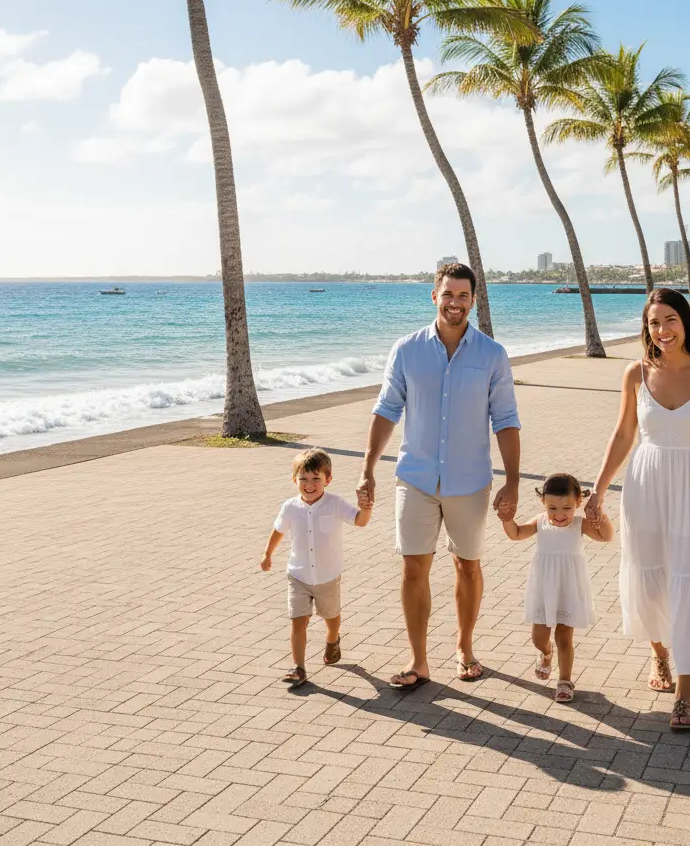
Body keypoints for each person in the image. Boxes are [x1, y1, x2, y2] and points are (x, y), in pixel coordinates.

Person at [358, 262, 521, 690]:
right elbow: (386, 409)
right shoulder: (407, 350)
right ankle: (419, 661)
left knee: (467, 566)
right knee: (414, 568)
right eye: (448, 294)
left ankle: (465, 648)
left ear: (473, 300)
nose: (455, 303)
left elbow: (506, 419)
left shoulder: (492, 355)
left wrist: (514, 481)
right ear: (434, 296)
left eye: (463, 296)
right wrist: (368, 470)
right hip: (415, 478)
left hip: (470, 481)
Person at [587, 288, 690, 731]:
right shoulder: (636, 374)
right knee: (650, 575)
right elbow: (622, 436)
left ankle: (685, 692)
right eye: (654, 323)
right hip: (646, 483)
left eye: (670, 320)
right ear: (647, 329)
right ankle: (660, 656)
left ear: (686, 322)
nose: (663, 330)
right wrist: (597, 491)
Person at [261, 448, 372, 687]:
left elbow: (360, 521)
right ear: (295, 480)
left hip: (327, 576)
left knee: (331, 617)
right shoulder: (290, 506)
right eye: (303, 478)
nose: (309, 484)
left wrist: (367, 507)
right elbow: (279, 530)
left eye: (316, 479)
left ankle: (332, 639)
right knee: (298, 620)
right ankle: (298, 667)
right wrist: (268, 554)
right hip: (298, 574)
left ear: (327, 479)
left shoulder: (335, 504)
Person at [500, 472, 614, 702]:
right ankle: (546, 653)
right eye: (552, 508)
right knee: (538, 638)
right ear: (543, 502)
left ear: (578, 503)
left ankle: (565, 681)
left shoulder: (580, 524)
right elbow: (516, 533)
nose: (559, 515)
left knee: (565, 637)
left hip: (569, 588)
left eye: (567, 508)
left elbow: (606, 537)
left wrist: (600, 515)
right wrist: (506, 519)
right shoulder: (540, 522)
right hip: (544, 588)